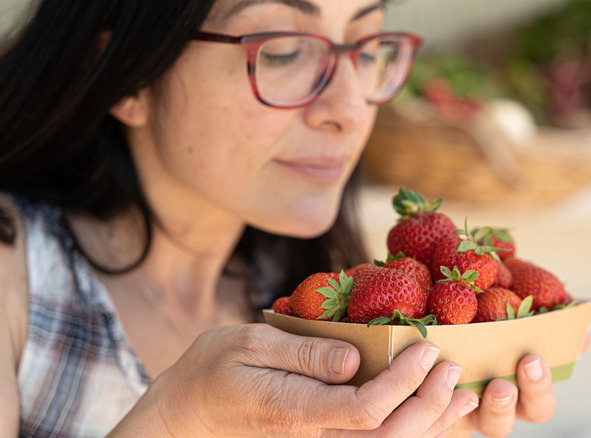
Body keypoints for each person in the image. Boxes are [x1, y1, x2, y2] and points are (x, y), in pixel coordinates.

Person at [0, 0, 559, 436]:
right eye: (284, 51)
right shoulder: (16, 280)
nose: (349, 109)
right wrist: (179, 417)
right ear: (125, 73)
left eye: (366, 47)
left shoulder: (319, 290)